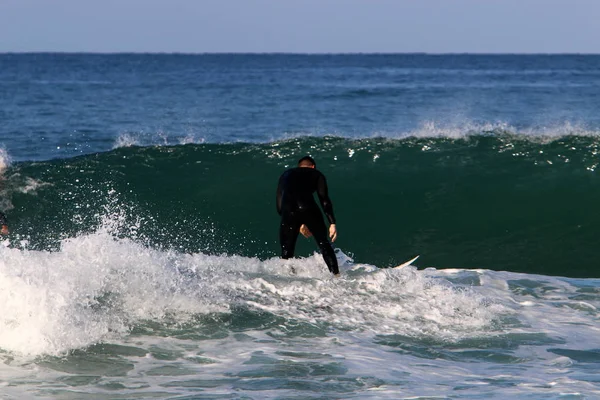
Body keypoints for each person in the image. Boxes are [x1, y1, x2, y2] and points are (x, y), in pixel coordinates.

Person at [276, 156, 339, 276]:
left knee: (286, 251)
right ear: (313, 167)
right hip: (308, 208)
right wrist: (332, 222)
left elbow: (279, 203)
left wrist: (295, 221)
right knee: (323, 244)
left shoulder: (285, 174)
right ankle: (336, 276)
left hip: (288, 211)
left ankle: (285, 279)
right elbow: (324, 199)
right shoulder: (317, 174)